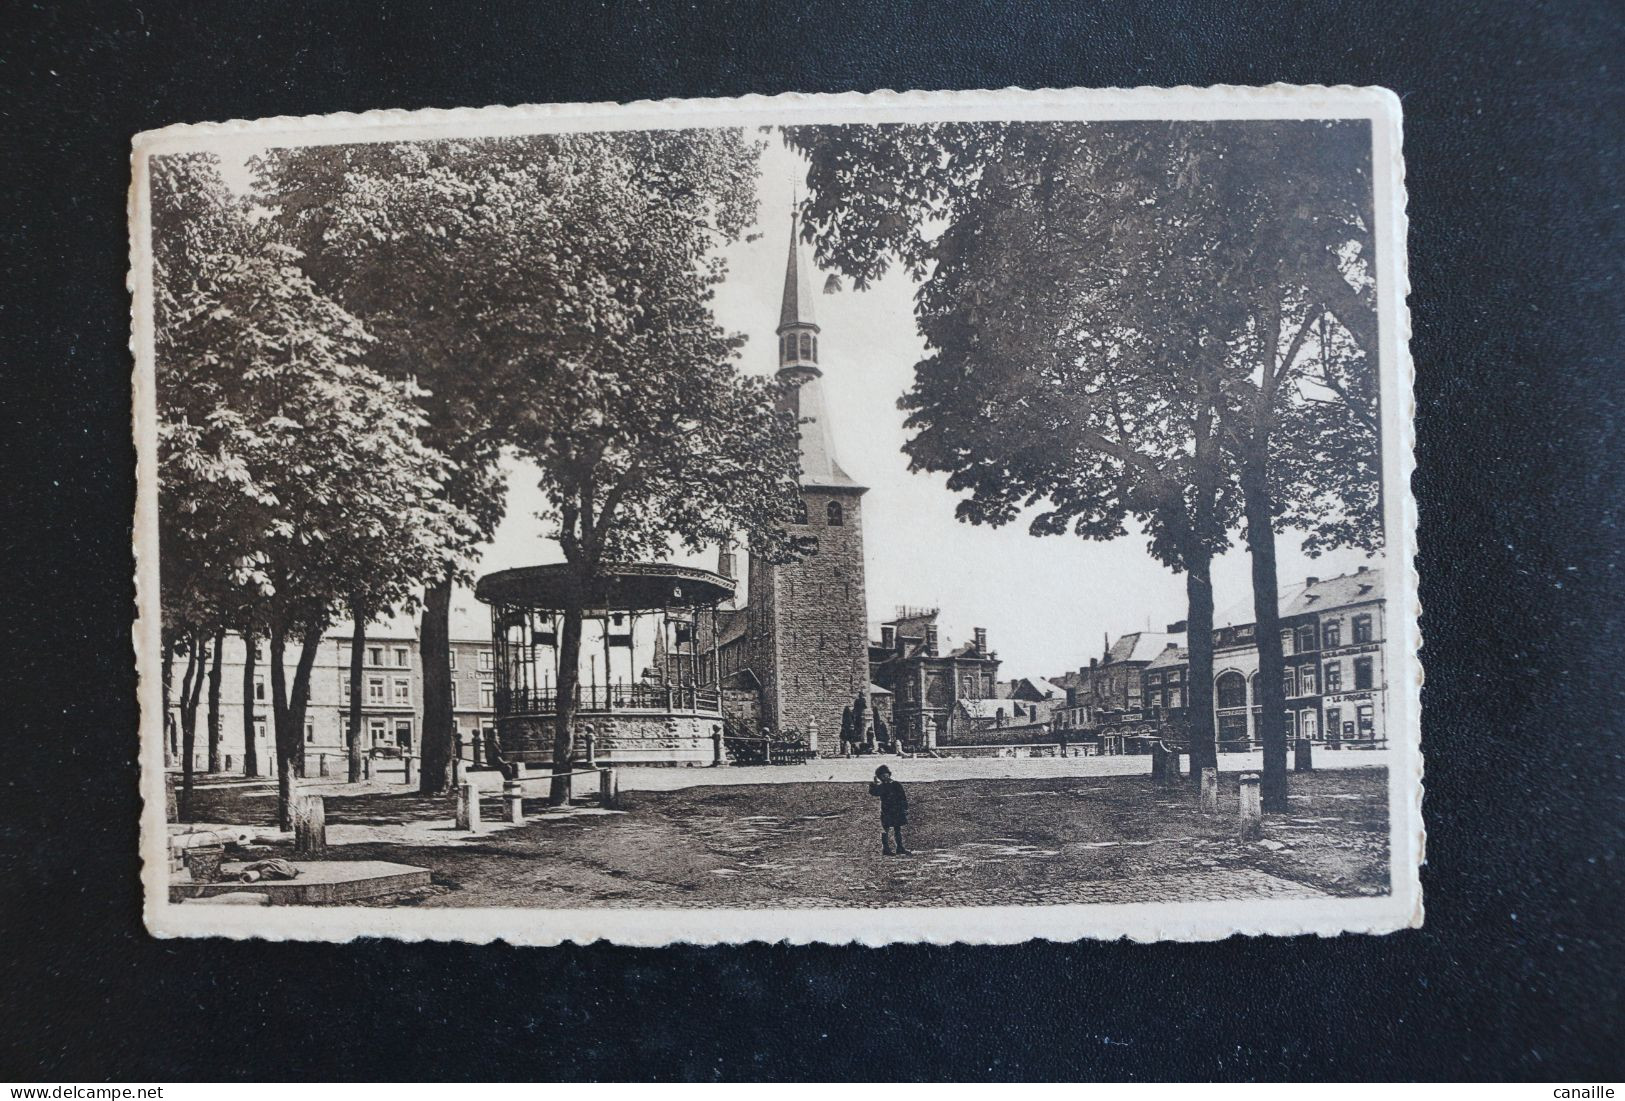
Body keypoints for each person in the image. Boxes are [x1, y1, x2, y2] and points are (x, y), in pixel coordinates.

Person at [868, 765, 910, 855]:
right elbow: (874, 792)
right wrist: (874, 784)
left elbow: (903, 797)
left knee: (897, 829)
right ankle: (886, 849)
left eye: (885, 775)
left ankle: (900, 847)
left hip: (897, 809)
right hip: (886, 810)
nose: (884, 777)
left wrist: (905, 808)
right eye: (882, 776)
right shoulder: (882, 786)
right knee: (885, 829)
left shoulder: (896, 784)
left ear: (889, 774)